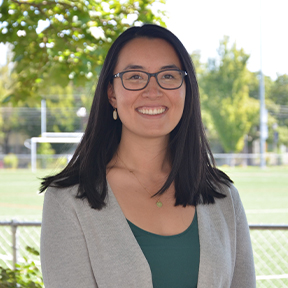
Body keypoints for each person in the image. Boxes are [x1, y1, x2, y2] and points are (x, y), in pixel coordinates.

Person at [40, 24, 256, 288]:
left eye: (168, 76)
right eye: (134, 77)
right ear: (111, 93)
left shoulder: (223, 195)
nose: (152, 91)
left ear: (186, 89)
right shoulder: (68, 200)